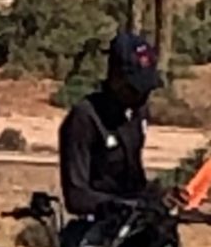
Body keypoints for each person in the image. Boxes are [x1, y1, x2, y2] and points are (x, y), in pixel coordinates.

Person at [57, 31, 165, 218]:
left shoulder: (137, 112)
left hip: (135, 225)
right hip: (98, 232)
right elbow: (76, 196)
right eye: (134, 88)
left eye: (147, 90)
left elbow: (134, 182)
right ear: (115, 77)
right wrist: (127, 206)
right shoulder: (84, 118)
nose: (142, 97)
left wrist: (160, 197)